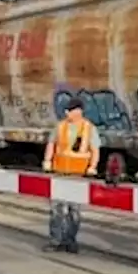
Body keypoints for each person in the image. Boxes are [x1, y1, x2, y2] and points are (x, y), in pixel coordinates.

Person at [42, 98, 99, 253]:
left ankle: (70, 240)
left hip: (78, 175)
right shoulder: (60, 127)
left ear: (78, 111)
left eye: (69, 110)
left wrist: (92, 167)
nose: (66, 113)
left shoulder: (88, 128)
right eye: (66, 110)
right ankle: (56, 240)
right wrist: (47, 161)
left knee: (74, 210)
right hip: (59, 172)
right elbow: (51, 144)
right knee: (56, 209)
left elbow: (95, 149)